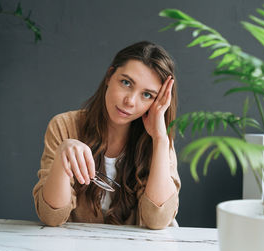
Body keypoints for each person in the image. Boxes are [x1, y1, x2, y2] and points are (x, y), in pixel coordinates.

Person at [33, 41, 180, 230]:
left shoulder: (158, 139)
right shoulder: (64, 126)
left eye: (147, 95)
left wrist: (160, 139)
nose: (130, 101)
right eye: (126, 83)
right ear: (110, 76)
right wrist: (63, 157)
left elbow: (157, 221)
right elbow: (51, 217)